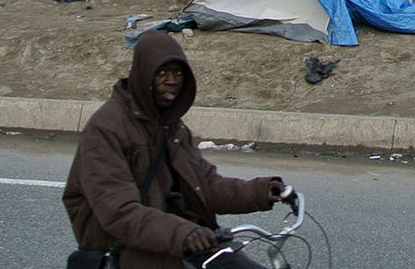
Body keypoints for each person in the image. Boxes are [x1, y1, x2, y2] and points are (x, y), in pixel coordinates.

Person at [63, 30, 290, 269]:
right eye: (161, 73)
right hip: (120, 246)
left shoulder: (172, 128)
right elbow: (120, 212)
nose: (171, 80)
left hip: (171, 236)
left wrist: (262, 191)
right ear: (142, 75)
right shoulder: (106, 128)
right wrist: (185, 233)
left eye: (177, 73)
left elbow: (205, 186)